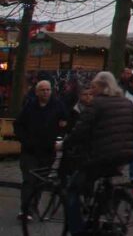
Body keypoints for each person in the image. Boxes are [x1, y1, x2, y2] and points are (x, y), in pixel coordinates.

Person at [62, 72, 133, 236]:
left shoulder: (96, 104)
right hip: (125, 155)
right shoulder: (126, 102)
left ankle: (78, 231)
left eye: (94, 86)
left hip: (102, 155)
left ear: (103, 86)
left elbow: (80, 130)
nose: (92, 90)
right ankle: (104, 212)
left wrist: (64, 144)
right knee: (105, 185)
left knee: (72, 188)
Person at [14, 79, 67, 221]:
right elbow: (18, 125)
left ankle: (33, 206)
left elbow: (64, 123)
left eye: (48, 89)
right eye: (42, 90)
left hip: (48, 151)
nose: (45, 92)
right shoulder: (29, 106)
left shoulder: (58, 106)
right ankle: (25, 210)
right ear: (37, 92)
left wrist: (59, 136)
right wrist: (25, 140)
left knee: (40, 182)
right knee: (29, 180)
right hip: (30, 151)